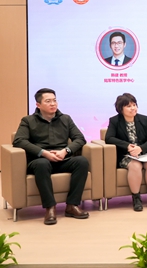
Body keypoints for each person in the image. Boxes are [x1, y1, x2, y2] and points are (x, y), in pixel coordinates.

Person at [12, 88, 90, 225]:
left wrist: (65, 151)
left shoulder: (65, 119)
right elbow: (19, 140)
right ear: (38, 105)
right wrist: (43, 153)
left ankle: (72, 205)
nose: (53, 104)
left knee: (82, 161)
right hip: (40, 161)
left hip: (62, 159)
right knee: (42, 164)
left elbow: (80, 138)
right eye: (48, 101)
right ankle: (50, 208)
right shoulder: (28, 121)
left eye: (54, 100)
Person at [105, 93, 147, 212]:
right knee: (135, 165)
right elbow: (109, 138)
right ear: (121, 109)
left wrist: (141, 148)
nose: (133, 108)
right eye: (129, 106)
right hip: (126, 154)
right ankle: (136, 199)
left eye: (134, 105)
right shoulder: (115, 121)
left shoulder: (144, 119)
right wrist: (127, 146)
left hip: (144, 152)